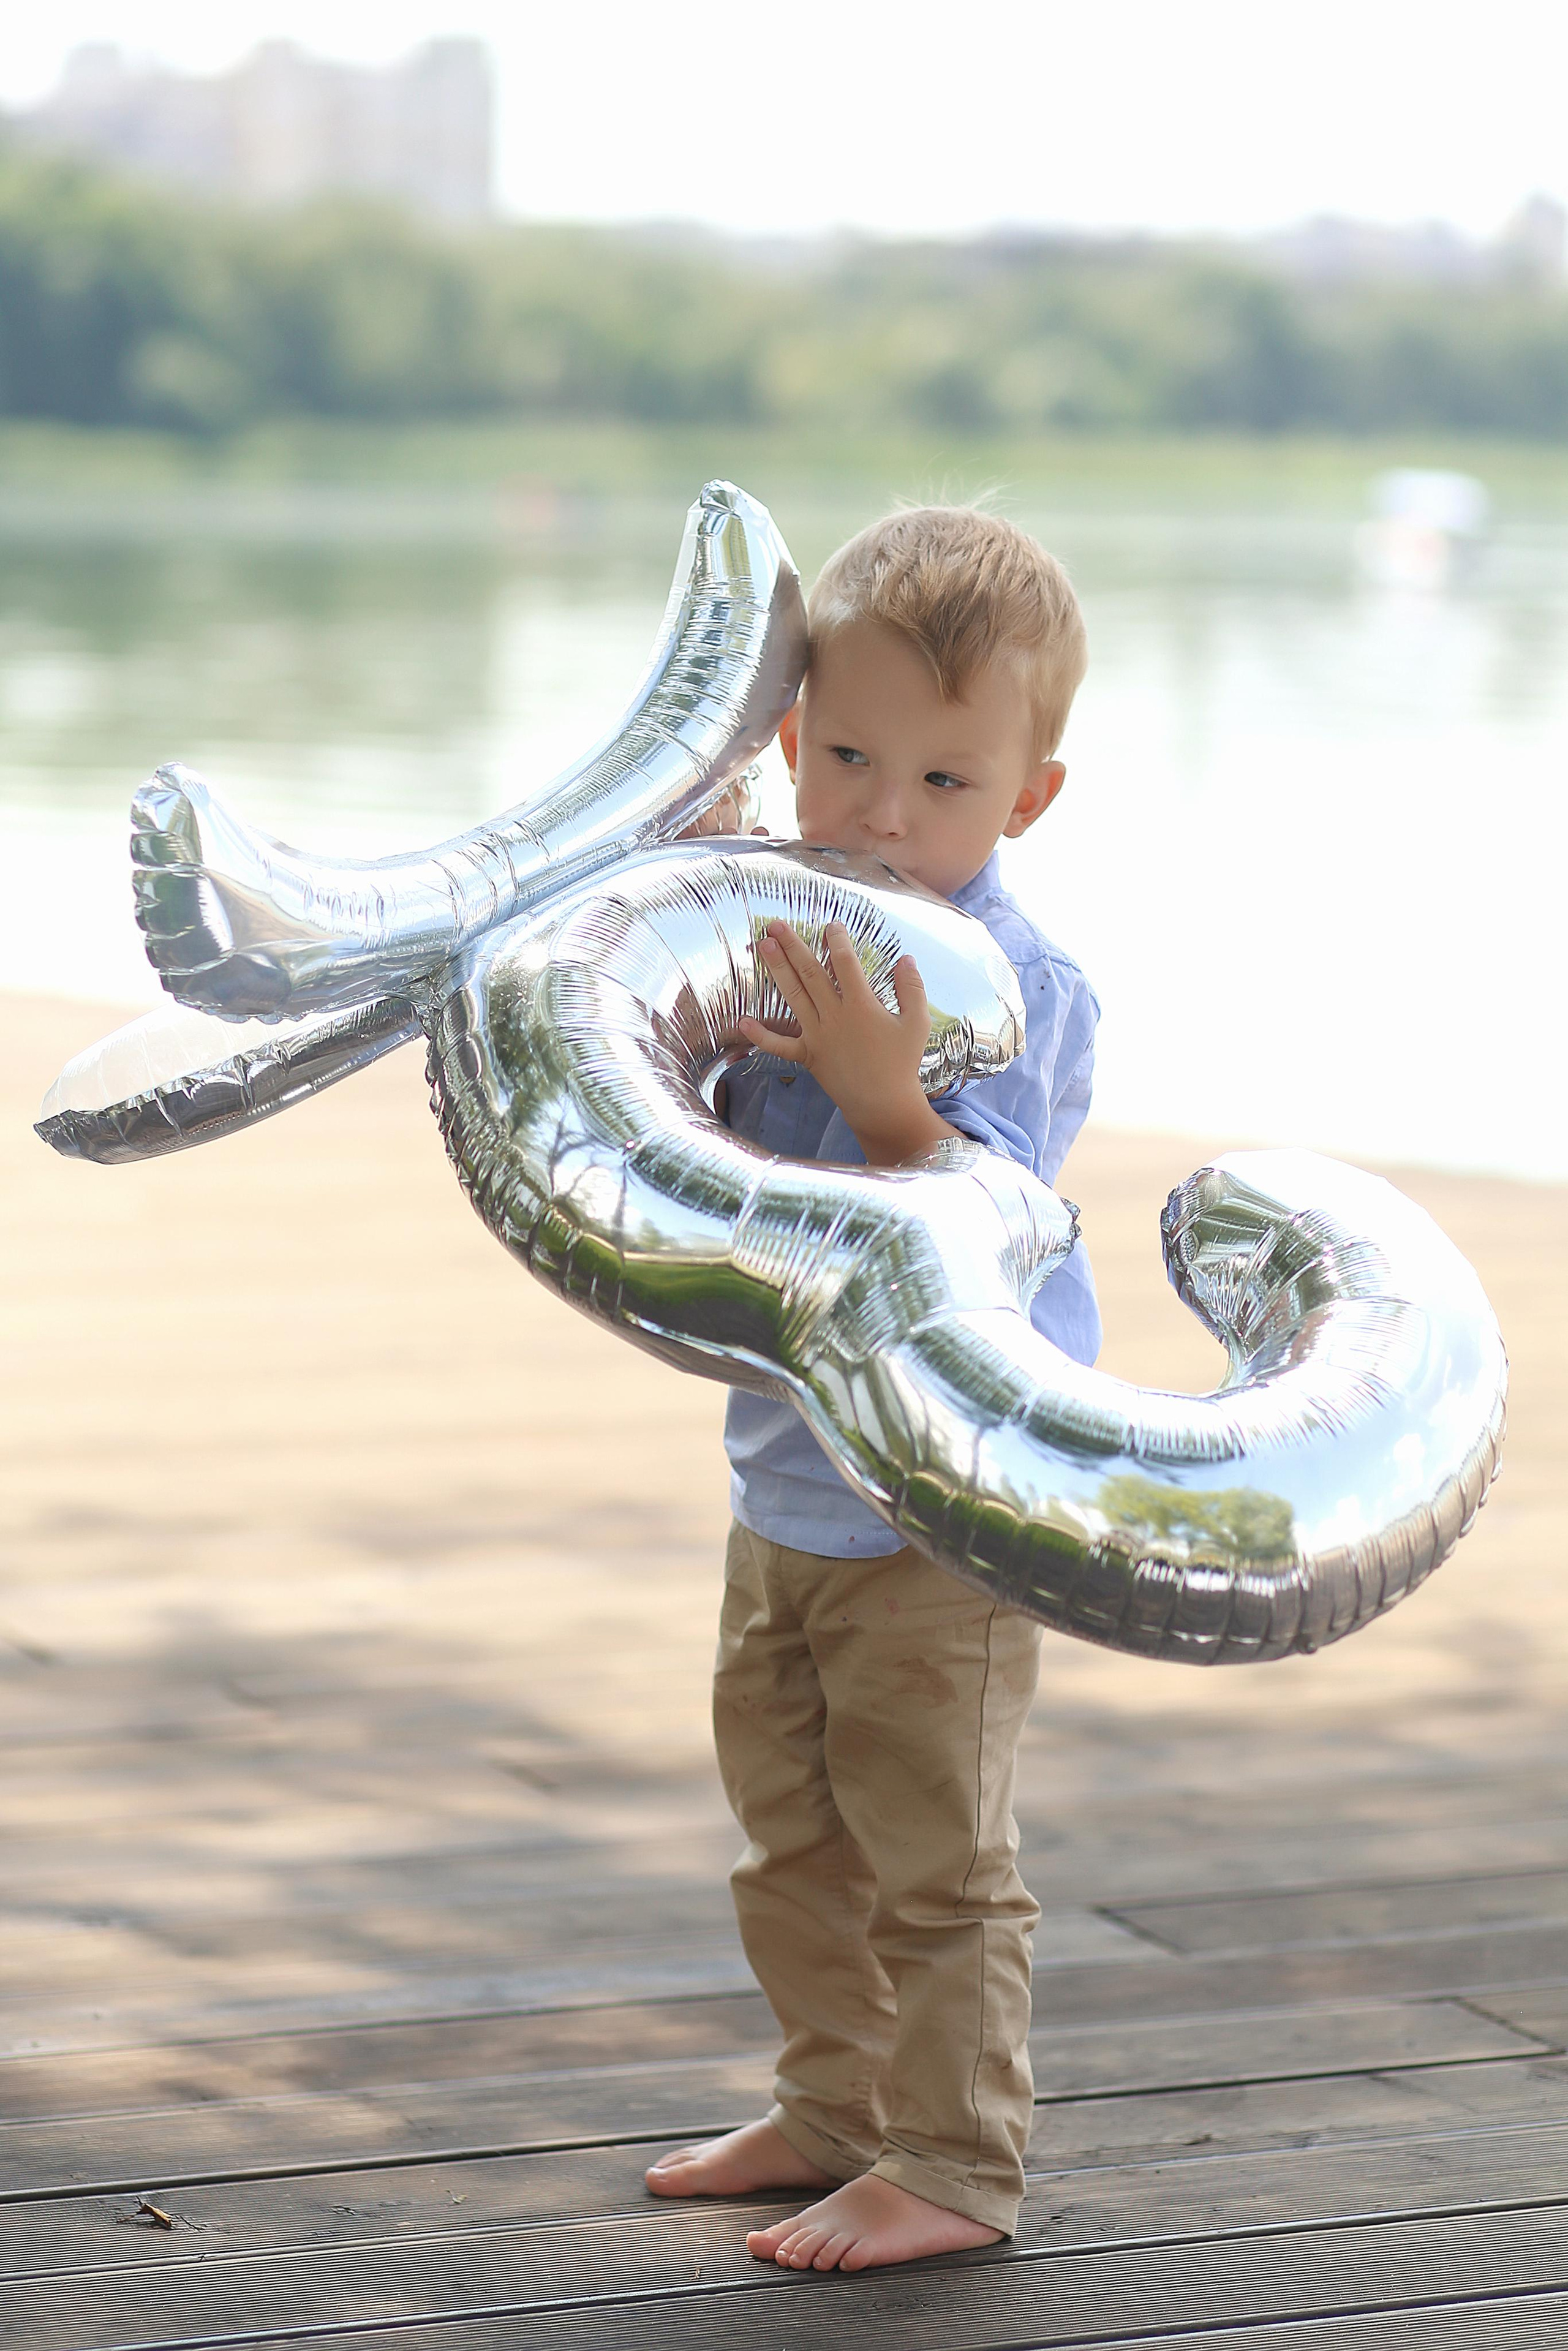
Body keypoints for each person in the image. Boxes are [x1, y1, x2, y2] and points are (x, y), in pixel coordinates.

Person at [645, 505, 1099, 2271]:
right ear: (790, 739)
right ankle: (829, 2106)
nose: (884, 815)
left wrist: (883, 1089)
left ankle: (955, 2163)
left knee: (936, 1851)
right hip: (787, 1477)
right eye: (845, 757)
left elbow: (984, 1215)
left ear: (1026, 801)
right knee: (789, 1832)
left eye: (942, 780)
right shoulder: (771, 922)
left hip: (942, 1505)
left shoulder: (1025, 985)